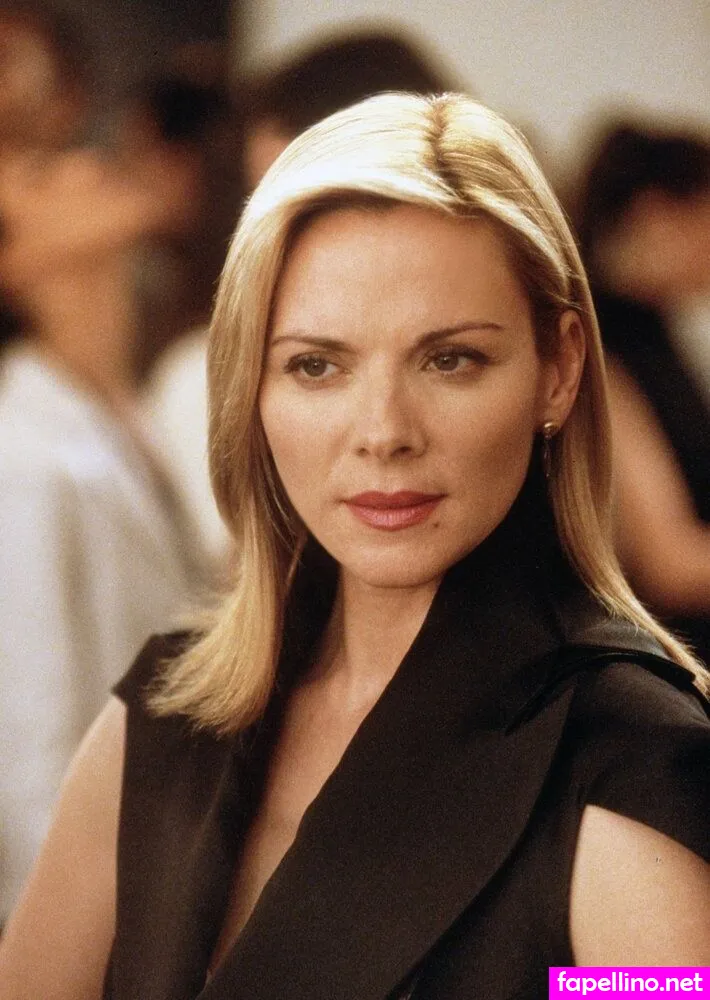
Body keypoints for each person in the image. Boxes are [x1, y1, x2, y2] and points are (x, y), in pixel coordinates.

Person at [1, 92, 709, 999]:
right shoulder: (158, 725)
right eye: (317, 365)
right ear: (249, 387)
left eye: (450, 359)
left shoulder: (627, 764)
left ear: (559, 370)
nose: (383, 432)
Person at [146, 28, 453, 569]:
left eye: (316, 207)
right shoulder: (203, 373)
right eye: (264, 208)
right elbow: (247, 575)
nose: (385, 435)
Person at [575, 123, 710, 665]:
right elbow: (668, 563)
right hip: (675, 654)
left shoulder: (660, 331)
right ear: (657, 212)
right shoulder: (602, 344)